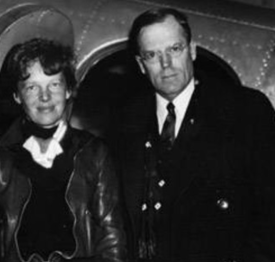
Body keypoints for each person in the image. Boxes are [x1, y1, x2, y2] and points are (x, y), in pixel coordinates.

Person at [116, 7, 275, 262]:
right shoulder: (125, 121)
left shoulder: (244, 110)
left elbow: (269, 213)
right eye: (152, 55)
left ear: (192, 50)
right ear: (140, 64)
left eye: (174, 49)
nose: (165, 64)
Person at [0, 38, 126, 262]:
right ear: (17, 96)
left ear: (68, 90)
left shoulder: (95, 153)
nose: (44, 97)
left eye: (54, 84)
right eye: (32, 87)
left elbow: (112, 241)